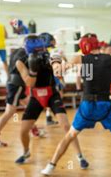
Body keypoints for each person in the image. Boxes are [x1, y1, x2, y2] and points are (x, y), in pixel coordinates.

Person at [41, 34, 111, 177]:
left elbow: (59, 72)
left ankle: (50, 166)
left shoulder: (80, 59)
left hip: (88, 106)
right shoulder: (110, 58)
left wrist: (55, 60)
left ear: (83, 46)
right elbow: (106, 70)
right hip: (105, 106)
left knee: (69, 136)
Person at [14, 35, 89, 169]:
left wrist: (57, 67)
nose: (40, 52)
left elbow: (57, 70)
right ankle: (26, 152)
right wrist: (33, 69)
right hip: (36, 96)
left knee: (66, 126)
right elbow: (29, 83)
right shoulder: (21, 62)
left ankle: (80, 156)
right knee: (23, 130)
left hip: (51, 94)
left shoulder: (50, 56)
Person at [0, 43, 45, 147]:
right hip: (17, 85)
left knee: (29, 106)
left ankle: (33, 129)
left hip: (13, 84)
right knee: (9, 111)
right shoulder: (26, 56)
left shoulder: (17, 51)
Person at [39, 32, 64, 126]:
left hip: (45, 79)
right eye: (53, 40)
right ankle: (56, 116)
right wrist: (61, 78)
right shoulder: (54, 50)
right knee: (57, 96)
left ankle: (49, 116)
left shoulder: (40, 51)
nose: (55, 41)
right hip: (53, 77)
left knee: (50, 97)